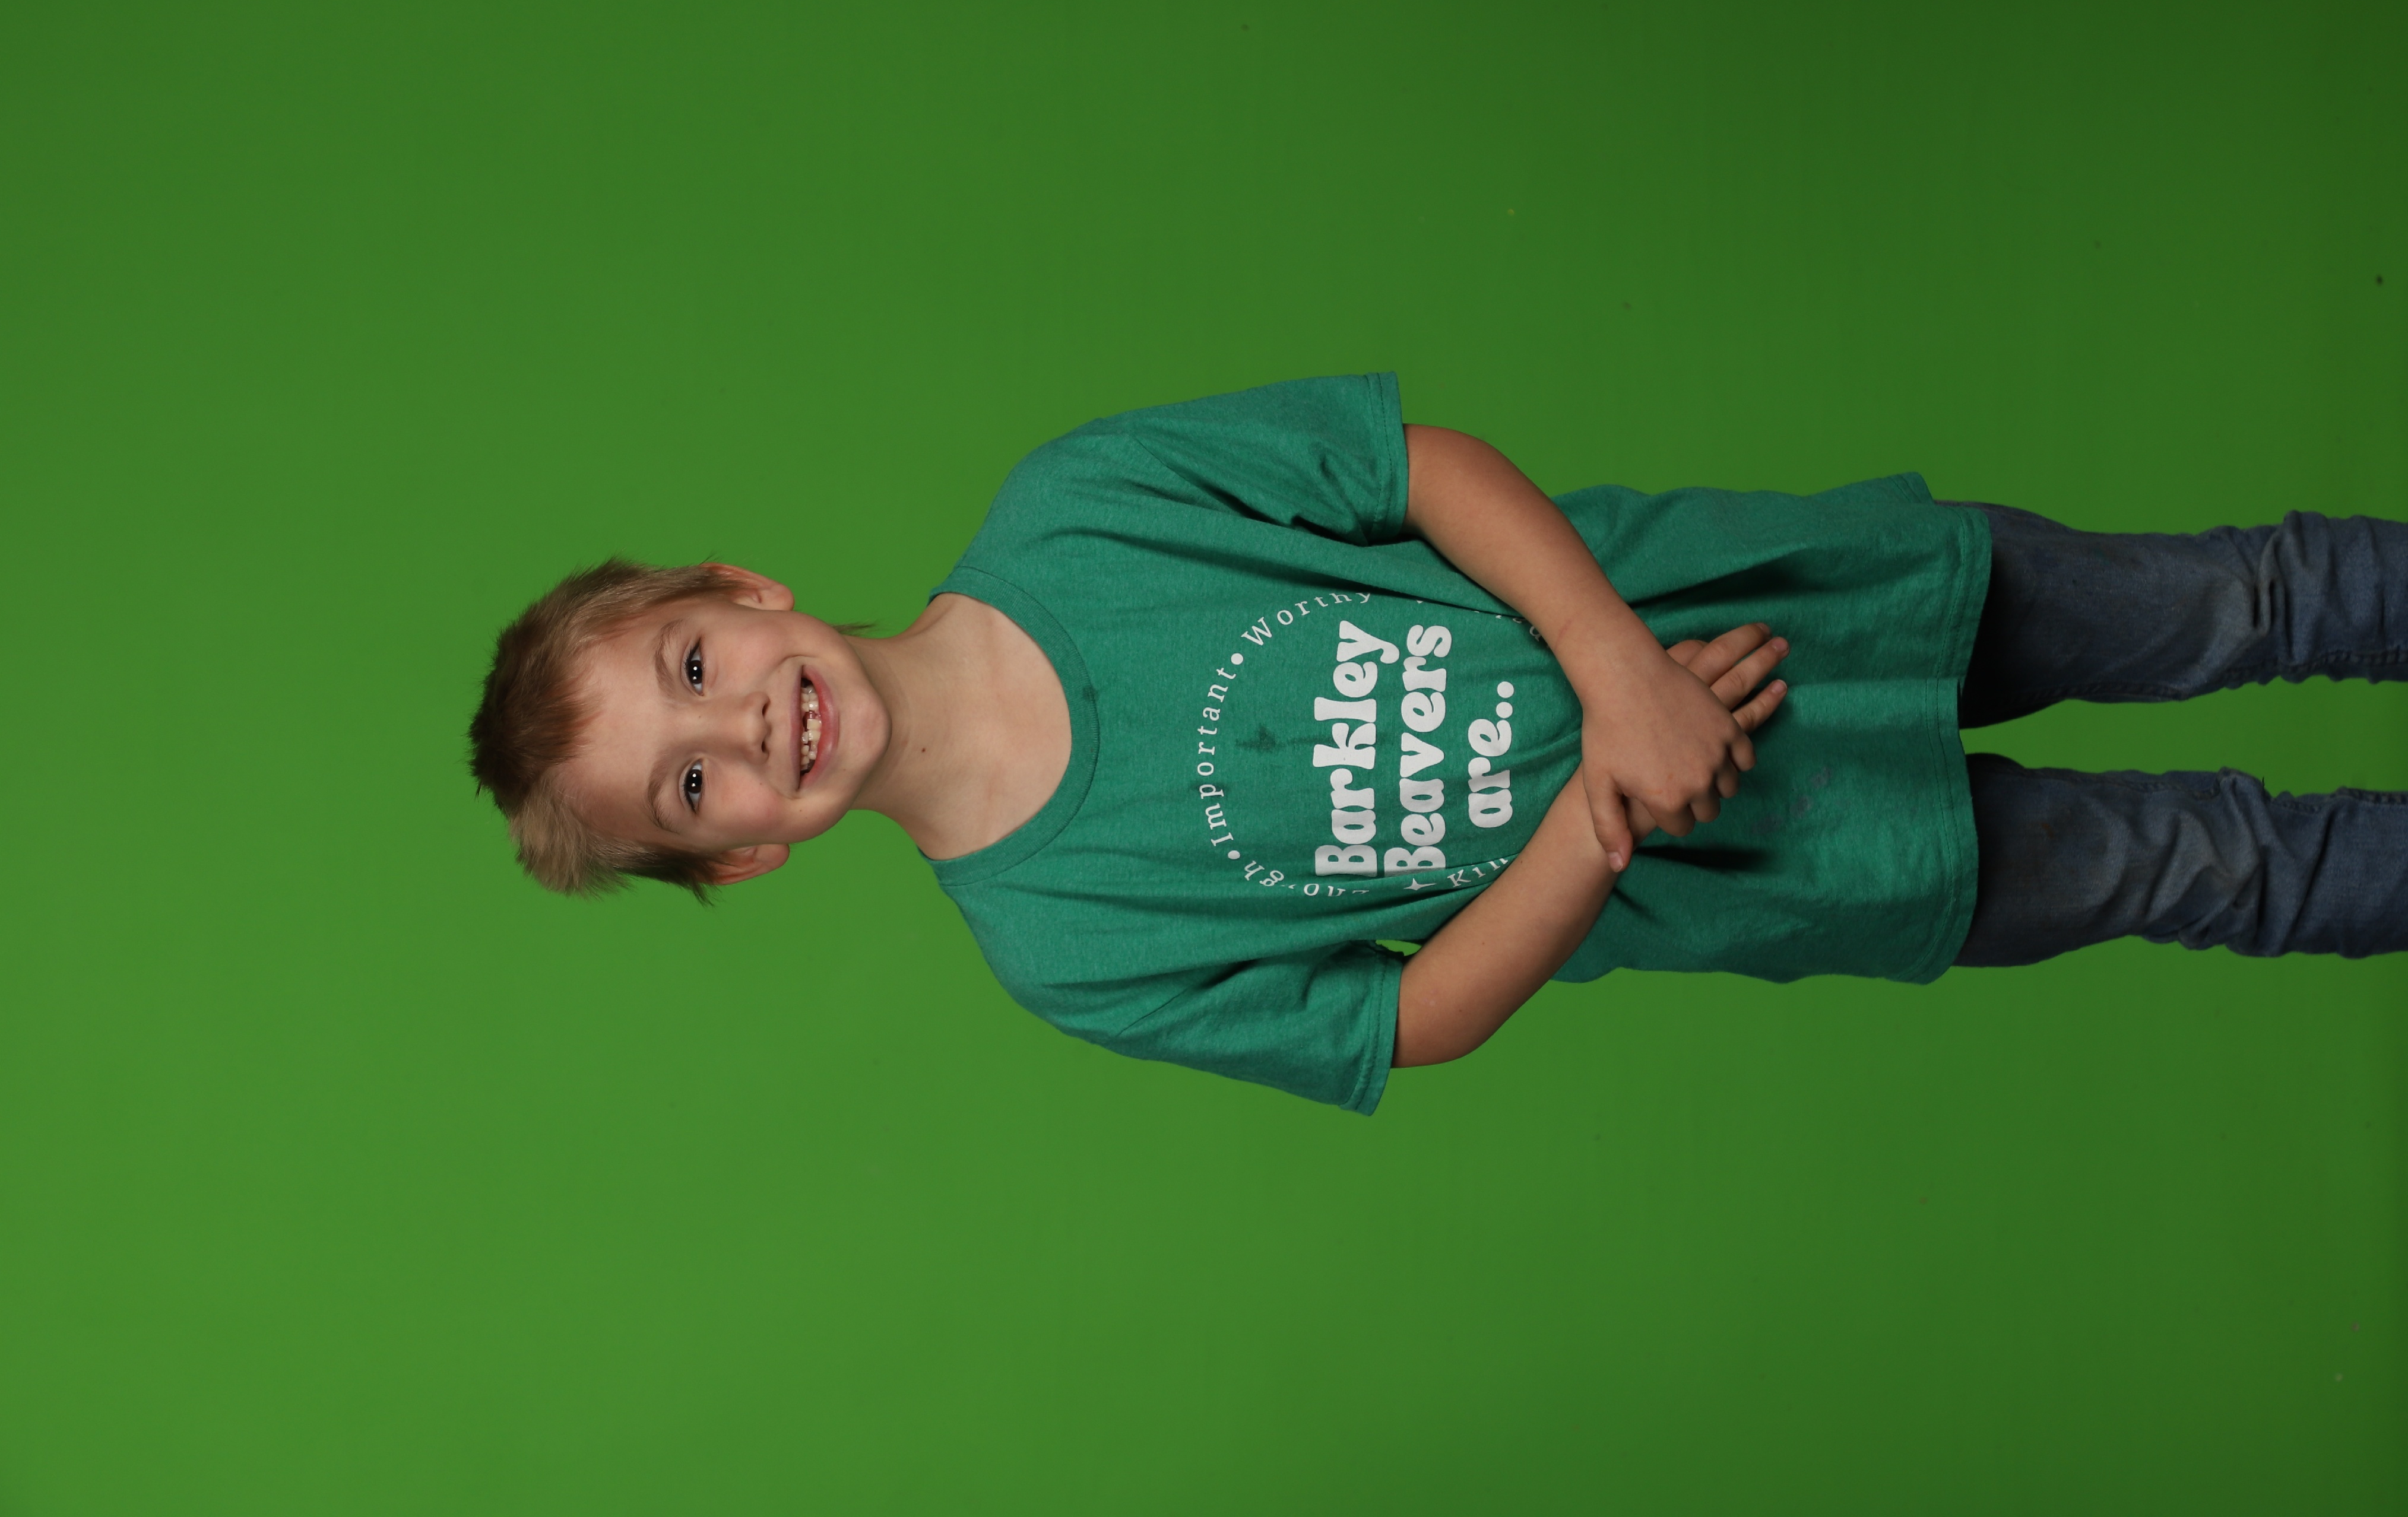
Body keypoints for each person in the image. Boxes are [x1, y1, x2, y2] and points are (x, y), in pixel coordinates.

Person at [467, 375, 2408, 1113]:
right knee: (2213, 866)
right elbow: (1407, 1019)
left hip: (1769, 604)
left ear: (743, 586)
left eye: (698, 662)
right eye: (694, 781)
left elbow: (1412, 467)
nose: (745, 723)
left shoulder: (1076, 508)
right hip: (1764, 854)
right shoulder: (1063, 948)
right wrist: (1604, 805)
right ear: (743, 851)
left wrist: (1614, 670)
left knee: (2241, 598)